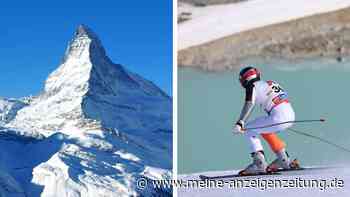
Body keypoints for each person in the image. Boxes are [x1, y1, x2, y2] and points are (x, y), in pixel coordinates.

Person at [233, 66, 300, 175]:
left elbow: (249, 104)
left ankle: (259, 164)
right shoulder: (270, 83)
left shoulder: (252, 86)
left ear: (245, 79)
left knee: (248, 128)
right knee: (263, 129)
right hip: (290, 115)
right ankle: (283, 159)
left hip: (278, 117)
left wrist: (240, 122)